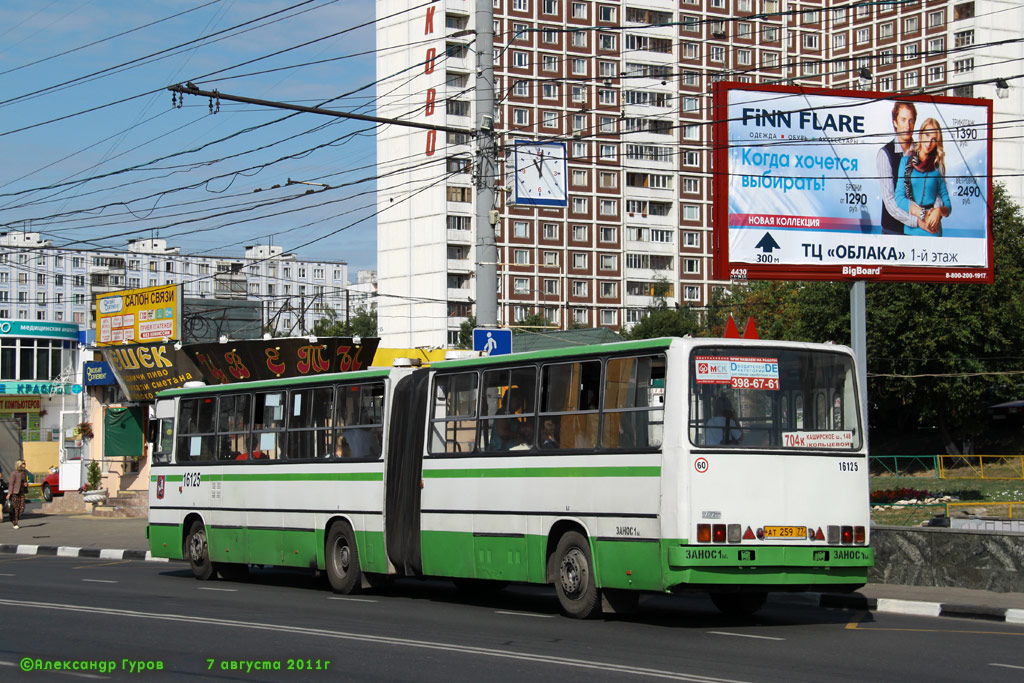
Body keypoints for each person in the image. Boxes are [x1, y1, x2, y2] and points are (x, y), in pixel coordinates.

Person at [876, 101, 943, 235]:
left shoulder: (924, 152)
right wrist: (917, 221)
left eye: (911, 120)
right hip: (893, 233)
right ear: (895, 122)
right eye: (903, 120)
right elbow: (890, 202)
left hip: (922, 232)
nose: (908, 126)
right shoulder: (885, 154)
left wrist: (935, 213)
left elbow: (936, 192)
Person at [896, 118, 951, 237]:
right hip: (911, 230)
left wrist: (939, 211)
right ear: (920, 135)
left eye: (934, 139)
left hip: (933, 230)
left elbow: (948, 206)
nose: (929, 142)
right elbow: (899, 198)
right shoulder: (906, 163)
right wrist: (922, 214)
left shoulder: (937, 168)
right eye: (927, 135)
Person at [8, 459, 29, 529]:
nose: (24, 465)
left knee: (22, 508)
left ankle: (14, 518)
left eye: (24, 464)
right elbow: (11, 484)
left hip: (22, 492)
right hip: (15, 493)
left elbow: (25, 482)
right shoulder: (14, 473)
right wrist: (9, 493)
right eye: (23, 464)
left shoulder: (24, 473)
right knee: (15, 508)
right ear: (19, 465)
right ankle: (15, 523)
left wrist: (26, 484)